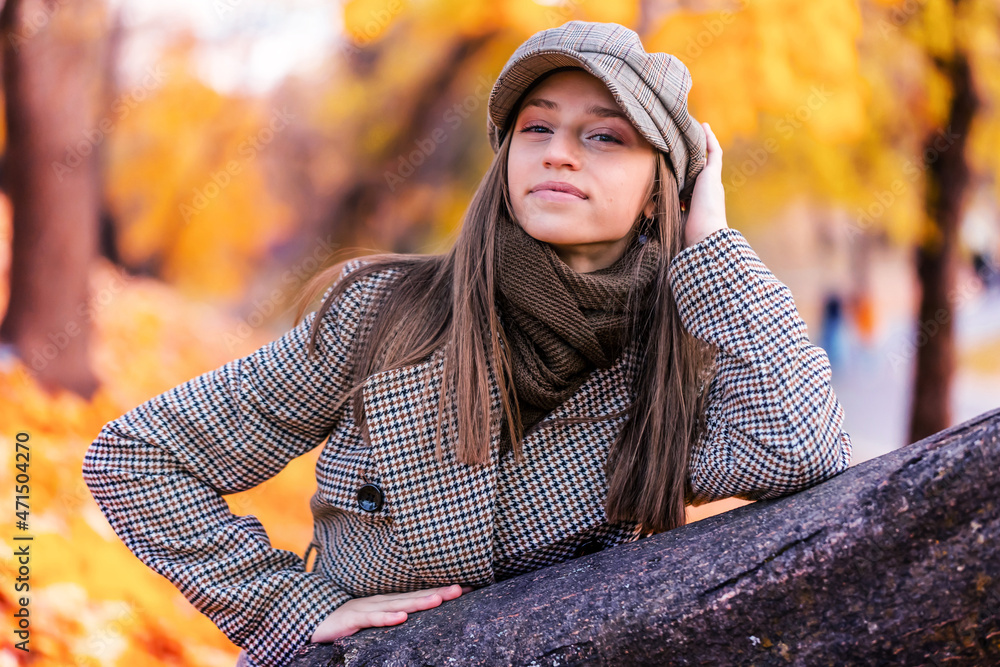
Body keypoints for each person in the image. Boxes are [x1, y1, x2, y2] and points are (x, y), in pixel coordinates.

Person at [82, 20, 853, 667]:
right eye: (537, 127)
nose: (558, 152)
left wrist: (709, 240)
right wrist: (289, 605)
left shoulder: (683, 353)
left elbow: (803, 449)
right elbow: (140, 455)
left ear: (664, 191)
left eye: (606, 138)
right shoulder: (386, 313)